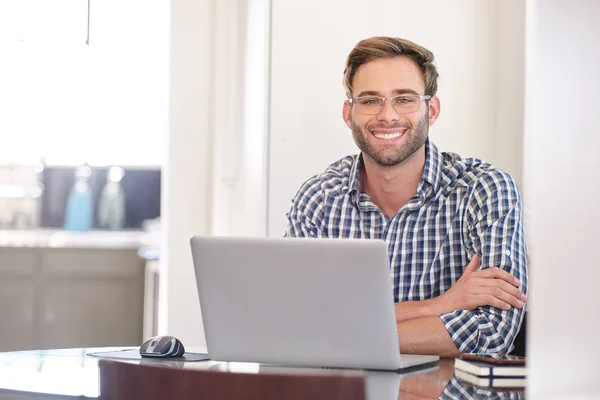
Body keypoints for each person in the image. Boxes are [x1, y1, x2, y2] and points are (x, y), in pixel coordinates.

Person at [285, 36, 528, 356]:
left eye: (404, 99)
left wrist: (337, 333)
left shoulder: (484, 191)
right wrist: (442, 305)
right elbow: (292, 326)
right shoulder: (319, 200)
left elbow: (492, 332)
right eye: (371, 100)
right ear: (349, 113)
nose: (387, 115)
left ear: (432, 109)